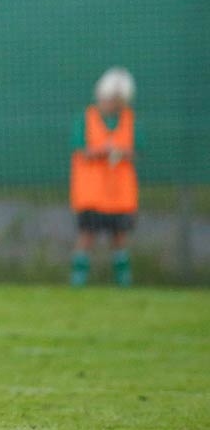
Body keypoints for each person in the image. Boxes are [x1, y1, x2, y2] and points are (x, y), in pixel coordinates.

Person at [70, 66, 140, 287]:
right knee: (87, 236)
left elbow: (136, 150)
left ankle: (124, 284)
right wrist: (103, 150)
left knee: (119, 238)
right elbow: (81, 150)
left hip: (119, 194)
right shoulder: (86, 119)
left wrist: (120, 151)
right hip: (92, 193)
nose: (113, 104)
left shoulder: (130, 120)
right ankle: (77, 284)